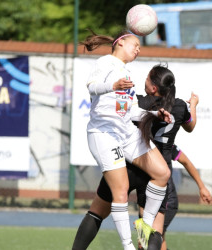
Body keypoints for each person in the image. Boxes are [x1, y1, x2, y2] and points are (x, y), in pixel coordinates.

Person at [72, 64, 210, 250]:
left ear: (153, 88)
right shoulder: (179, 107)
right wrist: (193, 105)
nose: (143, 80)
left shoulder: (139, 102)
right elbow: (190, 126)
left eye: (147, 78)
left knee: (96, 213)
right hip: (157, 170)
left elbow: (118, 112)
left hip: (128, 165)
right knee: (152, 230)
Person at [81, 30, 171, 250]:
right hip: (104, 134)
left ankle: (145, 226)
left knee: (163, 173)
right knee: (118, 192)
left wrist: (155, 115)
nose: (138, 50)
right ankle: (128, 246)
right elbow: (92, 87)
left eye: (140, 47)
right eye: (135, 45)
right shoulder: (105, 63)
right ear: (120, 43)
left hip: (126, 134)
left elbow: (130, 112)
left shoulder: (126, 73)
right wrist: (113, 86)